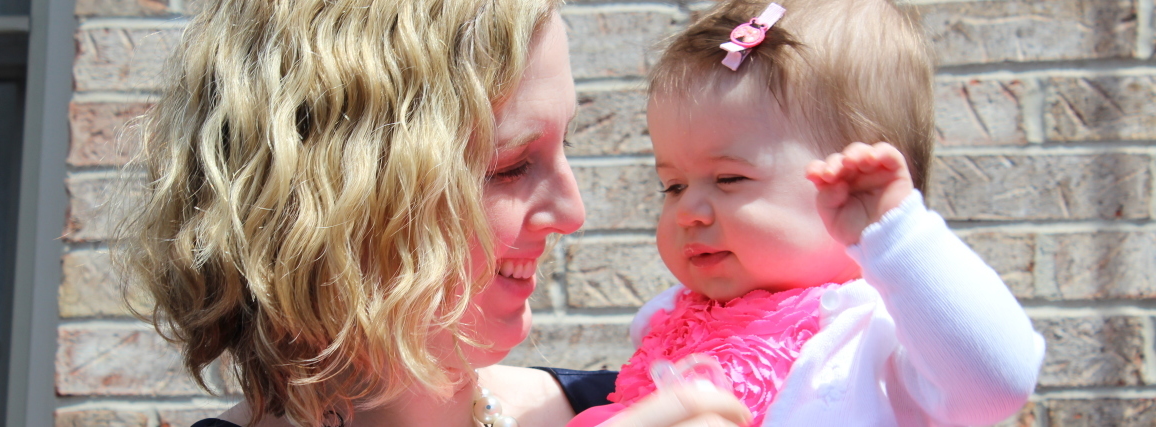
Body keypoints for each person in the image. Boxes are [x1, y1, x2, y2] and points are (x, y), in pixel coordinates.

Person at [116, 0, 754, 426]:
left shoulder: (628, 405)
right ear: (340, 200)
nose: (572, 211)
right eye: (509, 166)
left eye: (568, 146)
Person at [567, 0, 1045, 425]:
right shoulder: (669, 320)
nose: (688, 210)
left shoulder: (876, 336)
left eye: (729, 178)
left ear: (855, 187)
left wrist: (899, 237)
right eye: (672, 185)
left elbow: (996, 384)